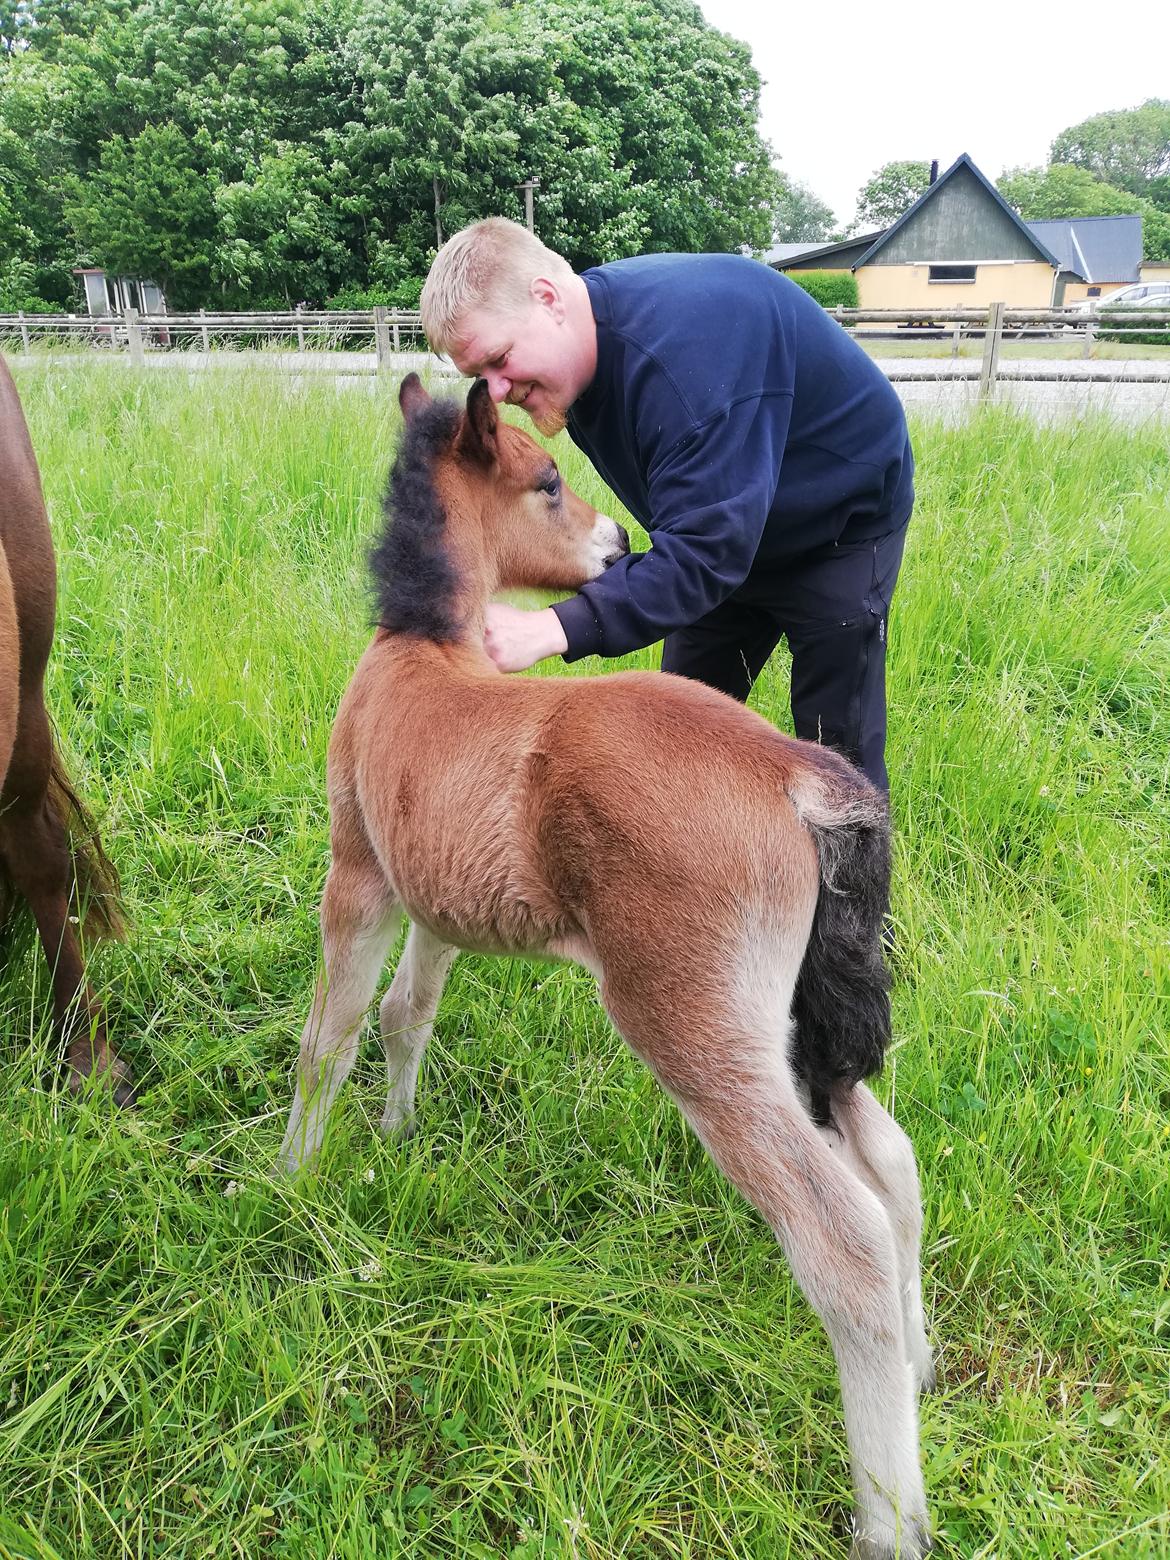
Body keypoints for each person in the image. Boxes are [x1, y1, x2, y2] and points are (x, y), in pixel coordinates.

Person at [419, 218, 913, 794]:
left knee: (838, 768)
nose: (497, 392)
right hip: (720, 523)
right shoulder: (571, 367)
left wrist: (552, 629)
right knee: (678, 738)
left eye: (499, 359)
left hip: (836, 528)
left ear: (547, 298)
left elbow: (706, 553)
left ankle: (849, 885)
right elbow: (705, 537)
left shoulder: (684, 358)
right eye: (478, 375)